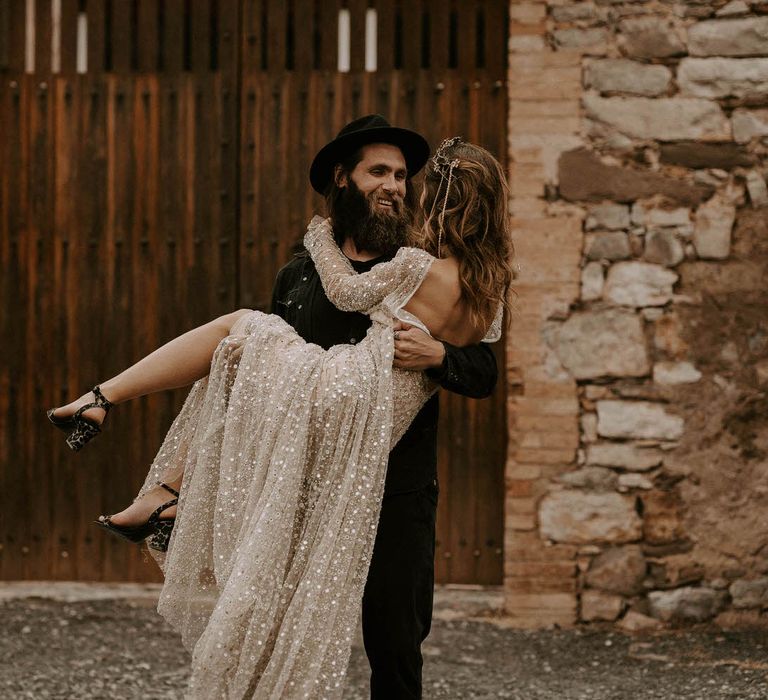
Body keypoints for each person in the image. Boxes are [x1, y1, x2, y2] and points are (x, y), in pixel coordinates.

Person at [47, 121, 513, 699]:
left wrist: (442, 356)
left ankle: (153, 471)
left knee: (395, 638)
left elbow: (486, 372)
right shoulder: (298, 276)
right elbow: (254, 388)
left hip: (395, 486)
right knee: (264, 617)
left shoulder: (414, 262)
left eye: (402, 176)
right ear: (344, 179)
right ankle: (163, 487)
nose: (395, 185)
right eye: (380, 173)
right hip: (300, 476)